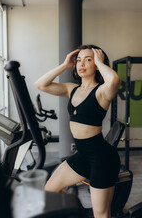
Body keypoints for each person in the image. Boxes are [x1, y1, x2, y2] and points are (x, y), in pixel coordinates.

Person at [35, 44, 121, 218]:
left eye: (88, 60)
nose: (81, 64)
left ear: (97, 64)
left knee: (101, 214)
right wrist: (65, 64)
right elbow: (40, 84)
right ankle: (78, 212)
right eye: (79, 60)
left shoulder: (102, 91)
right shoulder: (71, 89)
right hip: (82, 155)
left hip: (102, 158)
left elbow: (114, 80)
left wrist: (100, 61)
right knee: (50, 190)